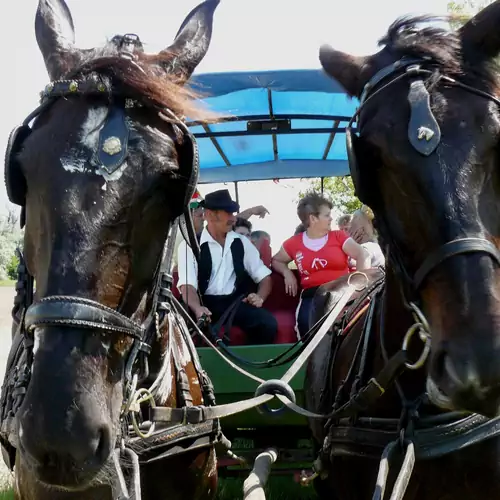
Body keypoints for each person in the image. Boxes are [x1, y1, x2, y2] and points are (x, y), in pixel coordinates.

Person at [177, 189, 277, 344]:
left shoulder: (241, 243)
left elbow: (264, 277)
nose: (233, 219)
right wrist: (198, 309)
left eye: (233, 213)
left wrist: (260, 297)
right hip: (201, 302)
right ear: (210, 215)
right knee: (176, 325)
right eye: (228, 213)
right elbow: (187, 287)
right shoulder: (189, 245)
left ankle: (247, 364)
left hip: (233, 303)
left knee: (267, 324)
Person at [271, 191, 370, 339]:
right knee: (307, 329)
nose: (331, 218)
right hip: (311, 296)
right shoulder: (293, 243)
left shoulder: (338, 236)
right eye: (327, 215)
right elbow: (276, 260)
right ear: (313, 218)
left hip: (341, 293)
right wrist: (287, 273)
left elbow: (362, 254)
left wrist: (361, 288)